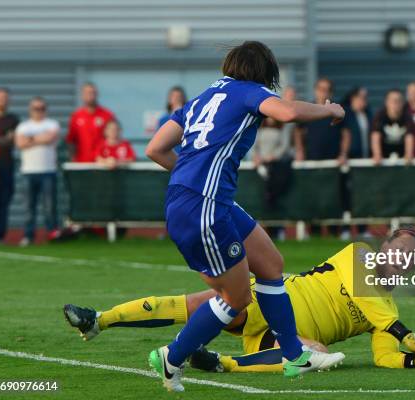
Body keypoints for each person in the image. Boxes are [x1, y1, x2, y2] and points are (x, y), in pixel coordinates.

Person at [143, 41, 346, 392]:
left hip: (204, 200)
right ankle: (173, 356)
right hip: (203, 206)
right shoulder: (247, 91)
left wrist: (190, 177)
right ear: (264, 73)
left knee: (270, 264)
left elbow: (155, 148)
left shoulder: (202, 98)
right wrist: (329, 110)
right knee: (237, 300)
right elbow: (287, 113)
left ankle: (294, 355)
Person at [64, 227, 415, 372]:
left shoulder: (389, 312)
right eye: (401, 247)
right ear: (385, 245)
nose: (404, 257)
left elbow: (381, 356)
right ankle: (100, 319)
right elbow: (370, 301)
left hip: (281, 337)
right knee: (196, 303)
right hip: (270, 300)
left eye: (413, 257)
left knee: (313, 354)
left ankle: (221, 363)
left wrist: (413, 358)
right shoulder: (358, 255)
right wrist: (409, 335)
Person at [14, 97, 61, 246]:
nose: (38, 111)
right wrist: (40, 138)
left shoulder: (52, 123)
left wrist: (30, 139)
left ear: (46, 109)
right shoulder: (23, 126)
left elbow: (50, 137)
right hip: (28, 171)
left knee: (49, 206)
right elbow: (20, 143)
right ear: (30, 110)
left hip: (48, 170)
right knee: (29, 207)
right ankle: (28, 236)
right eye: (36, 108)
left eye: (41, 108)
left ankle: (52, 234)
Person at [293, 77, 350, 164]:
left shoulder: (337, 110)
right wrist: (299, 150)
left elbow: (346, 134)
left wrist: (343, 154)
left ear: (331, 93)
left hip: (334, 162)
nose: (324, 92)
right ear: (315, 90)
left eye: (327, 89)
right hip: (310, 160)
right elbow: (298, 131)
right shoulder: (307, 109)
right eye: (321, 89)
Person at [0, 87, 19, 243]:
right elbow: (5, 139)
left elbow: (10, 141)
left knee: (4, 201)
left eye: (5, 97)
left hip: (6, 165)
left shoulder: (13, 119)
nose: (2, 100)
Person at [66, 82, 115, 162]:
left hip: (103, 163)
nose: (90, 95)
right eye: (87, 93)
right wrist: (72, 158)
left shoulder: (107, 115)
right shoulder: (76, 116)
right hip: (82, 162)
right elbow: (71, 140)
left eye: (92, 93)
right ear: (82, 95)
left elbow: (114, 137)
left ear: (97, 94)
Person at [371, 88, 414, 164]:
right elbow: (375, 135)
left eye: (398, 101)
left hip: (402, 159)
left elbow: (409, 136)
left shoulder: (407, 116)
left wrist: (409, 154)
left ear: (403, 103)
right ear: (386, 102)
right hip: (383, 158)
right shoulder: (380, 116)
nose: (395, 104)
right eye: (393, 101)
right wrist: (377, 154)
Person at [343, 86, 371, 159]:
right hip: (350, 158)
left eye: (366, 97)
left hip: (366, 157)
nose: (365, 100)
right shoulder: (345, 114)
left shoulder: (368, 115)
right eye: (362, 97)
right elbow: (344, 135)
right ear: (353, 98)